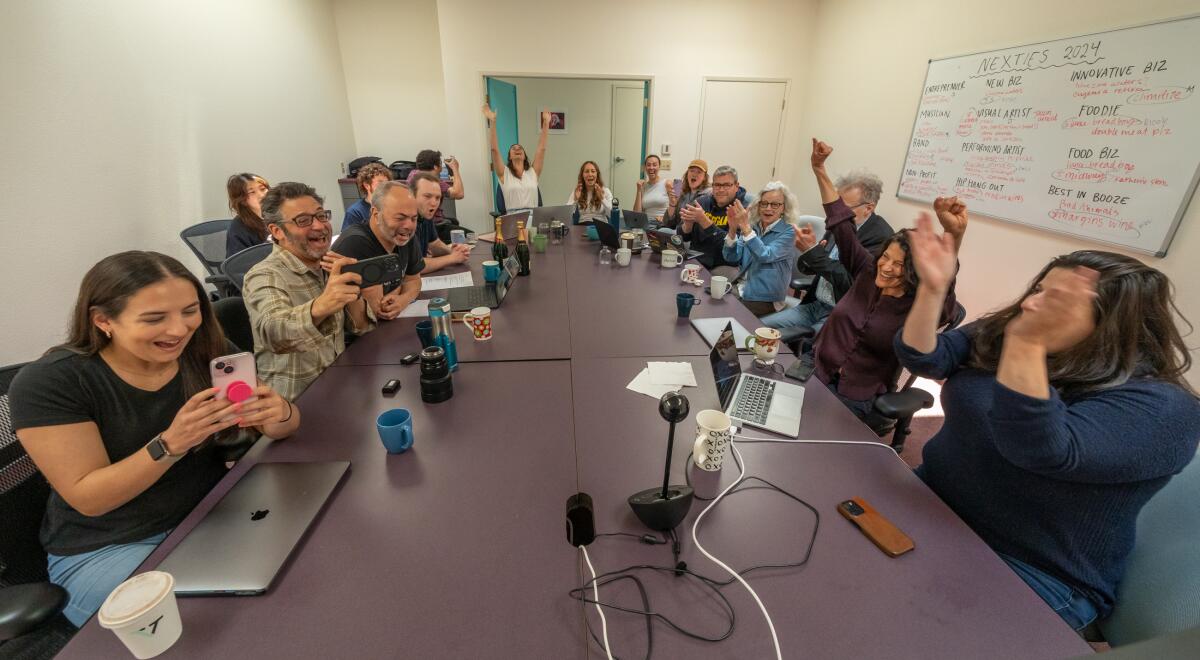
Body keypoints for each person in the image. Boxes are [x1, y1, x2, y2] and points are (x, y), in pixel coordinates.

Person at [897, 228, 1200, 635]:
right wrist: (934, 290)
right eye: (1038, 288)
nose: (1031, 303)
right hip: (935, 502)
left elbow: (1041, 449)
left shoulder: (1163, 407)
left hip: (1032, 568)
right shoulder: (1011, 330)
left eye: (1055, 300)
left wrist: (1027, 345)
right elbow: (925, 357)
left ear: (1114, 324)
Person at [9, 251, 299, 627]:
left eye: (190, 311)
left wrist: (279, 414)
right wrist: (170, 445)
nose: (178, 330)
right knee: (211, 626)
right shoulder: (51, 382)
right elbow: (89, 498)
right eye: (154, 318)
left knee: (296, 577)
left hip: (206, 516)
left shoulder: (205, 353)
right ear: (102, 320)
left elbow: (286, 424)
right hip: (108, 546)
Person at [808, 139, 964, 434]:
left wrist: (954, 236)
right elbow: (840, 220)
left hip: (856, 396)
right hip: (815, 371)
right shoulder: (867, 270)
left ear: (916, 274)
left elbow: (943, 286)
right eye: (886, 257)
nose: (887, 267)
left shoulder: (921, 309)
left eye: (899, 265)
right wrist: (819, 168)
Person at [243, 182, 375, 400]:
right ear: (277, 231)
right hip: (296, 401)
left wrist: (350, 284)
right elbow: (273, 331)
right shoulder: (264, 275)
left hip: (341, 385)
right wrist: (322, 305)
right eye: (303, 220)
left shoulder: (328, 265)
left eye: (322, 216)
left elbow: (363, 328)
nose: (319, 226)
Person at [762, 170, 894, 334]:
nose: (837, 212)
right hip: (814, 305)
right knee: (758, 326)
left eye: (844, 207)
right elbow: (812, 267)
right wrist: (808, 252)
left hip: (841, 314)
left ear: (868, 208)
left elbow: (851, 285)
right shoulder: (839, 222)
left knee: (810, 348)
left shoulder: (882, 239)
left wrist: (814, 253)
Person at [329, 181, 423, 321]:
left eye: (413, 218)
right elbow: (373, 311)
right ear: (375, 214)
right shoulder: (354, 244)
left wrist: (402, 300)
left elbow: (414, 280)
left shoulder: (404, 236)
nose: (409, 225)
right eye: (400, 218)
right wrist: (398, 289)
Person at [721, 182, 798, 317]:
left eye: (775, 204)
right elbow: (731, 257)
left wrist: (745, 227)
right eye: (764, 203)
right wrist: (733, 229)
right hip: (741, 288)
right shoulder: (753, 227)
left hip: (766, 297)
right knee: (711, 302)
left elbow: (765, 255)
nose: (768, 208)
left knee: (727, 315)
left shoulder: (789, 232)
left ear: (784, 208)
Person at [678, 165, 750, 278]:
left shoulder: (743, 209)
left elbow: (733, 250)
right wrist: (687, 226)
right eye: (717, 185)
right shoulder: (701, 202)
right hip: (696, 259)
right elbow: (683, 237)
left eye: (726, 185)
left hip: (723, 264)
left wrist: (705, 222)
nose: (721, 190)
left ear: (736, 186)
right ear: (712, 186)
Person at [484, 104, 550, 210]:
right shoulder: (504, 173)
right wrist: (493, 122)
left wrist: (546, 123)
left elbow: (541, 150)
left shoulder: (533, 172)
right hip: (512, 219)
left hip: (532, 219)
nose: (517, 149)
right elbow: (494, 150)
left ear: (524, 156)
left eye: (520, 148)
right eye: (513, 148)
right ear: (510, 157)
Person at [409, 173, 472, 274]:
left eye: (437, 198)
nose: (434, 203)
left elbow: (434, 243)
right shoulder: (406, 222)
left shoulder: (425, 215)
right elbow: (415, 266)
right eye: (427, 196)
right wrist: (452, 258)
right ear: (412, 195)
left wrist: (453, 251)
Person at [405, 149, 464, 222]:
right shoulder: (431, 180)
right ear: (436, 167)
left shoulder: (413, 174)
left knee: (453, 221)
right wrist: (455, 168)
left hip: (417, 219)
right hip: (433, 221)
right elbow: (459, 194)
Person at [225, 173, 271, 258]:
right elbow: (237, 266)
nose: (262, 195)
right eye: (252, 192)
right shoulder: (238, 227)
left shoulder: (279, 214)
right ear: (242, 200)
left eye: (263, 189)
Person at [341, 162, 392, 231]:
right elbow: (349, 239)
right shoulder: (355, 212)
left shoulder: (392, 207)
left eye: (387, 183)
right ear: (367, 185)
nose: (385, 186)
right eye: (380, 183)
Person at [661, 159, 711, 229]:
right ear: (687, 174)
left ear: (704, 177)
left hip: (691, 236)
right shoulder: (682, 192)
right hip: (677, 233)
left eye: (699, 172)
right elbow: (668, 224)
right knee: (663, 230)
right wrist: (672, 204)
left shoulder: (708, 194)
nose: (694, 174)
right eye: (692, 171)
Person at [567, 160, 613, 224]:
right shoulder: (577, 190)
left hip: (601, 226)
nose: (590, 174)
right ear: (582, 175)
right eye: (586, 171)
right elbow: (567, 215)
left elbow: (612, 214)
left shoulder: (605, 191)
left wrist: (602, 198)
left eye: (593, 171)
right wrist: (576, 200)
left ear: (597, 174)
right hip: (583, 225)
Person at [632, 154, 669, 221]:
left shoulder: (667, 183)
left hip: (662, 223)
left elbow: (677, 206)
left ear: (659, 167)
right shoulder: (643, 186)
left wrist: (666, 218)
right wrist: (639, 190)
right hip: (646, 223)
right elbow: (636, 214)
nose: (651, 168)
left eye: (654, 165)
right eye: (648, 165)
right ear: (645, 167)